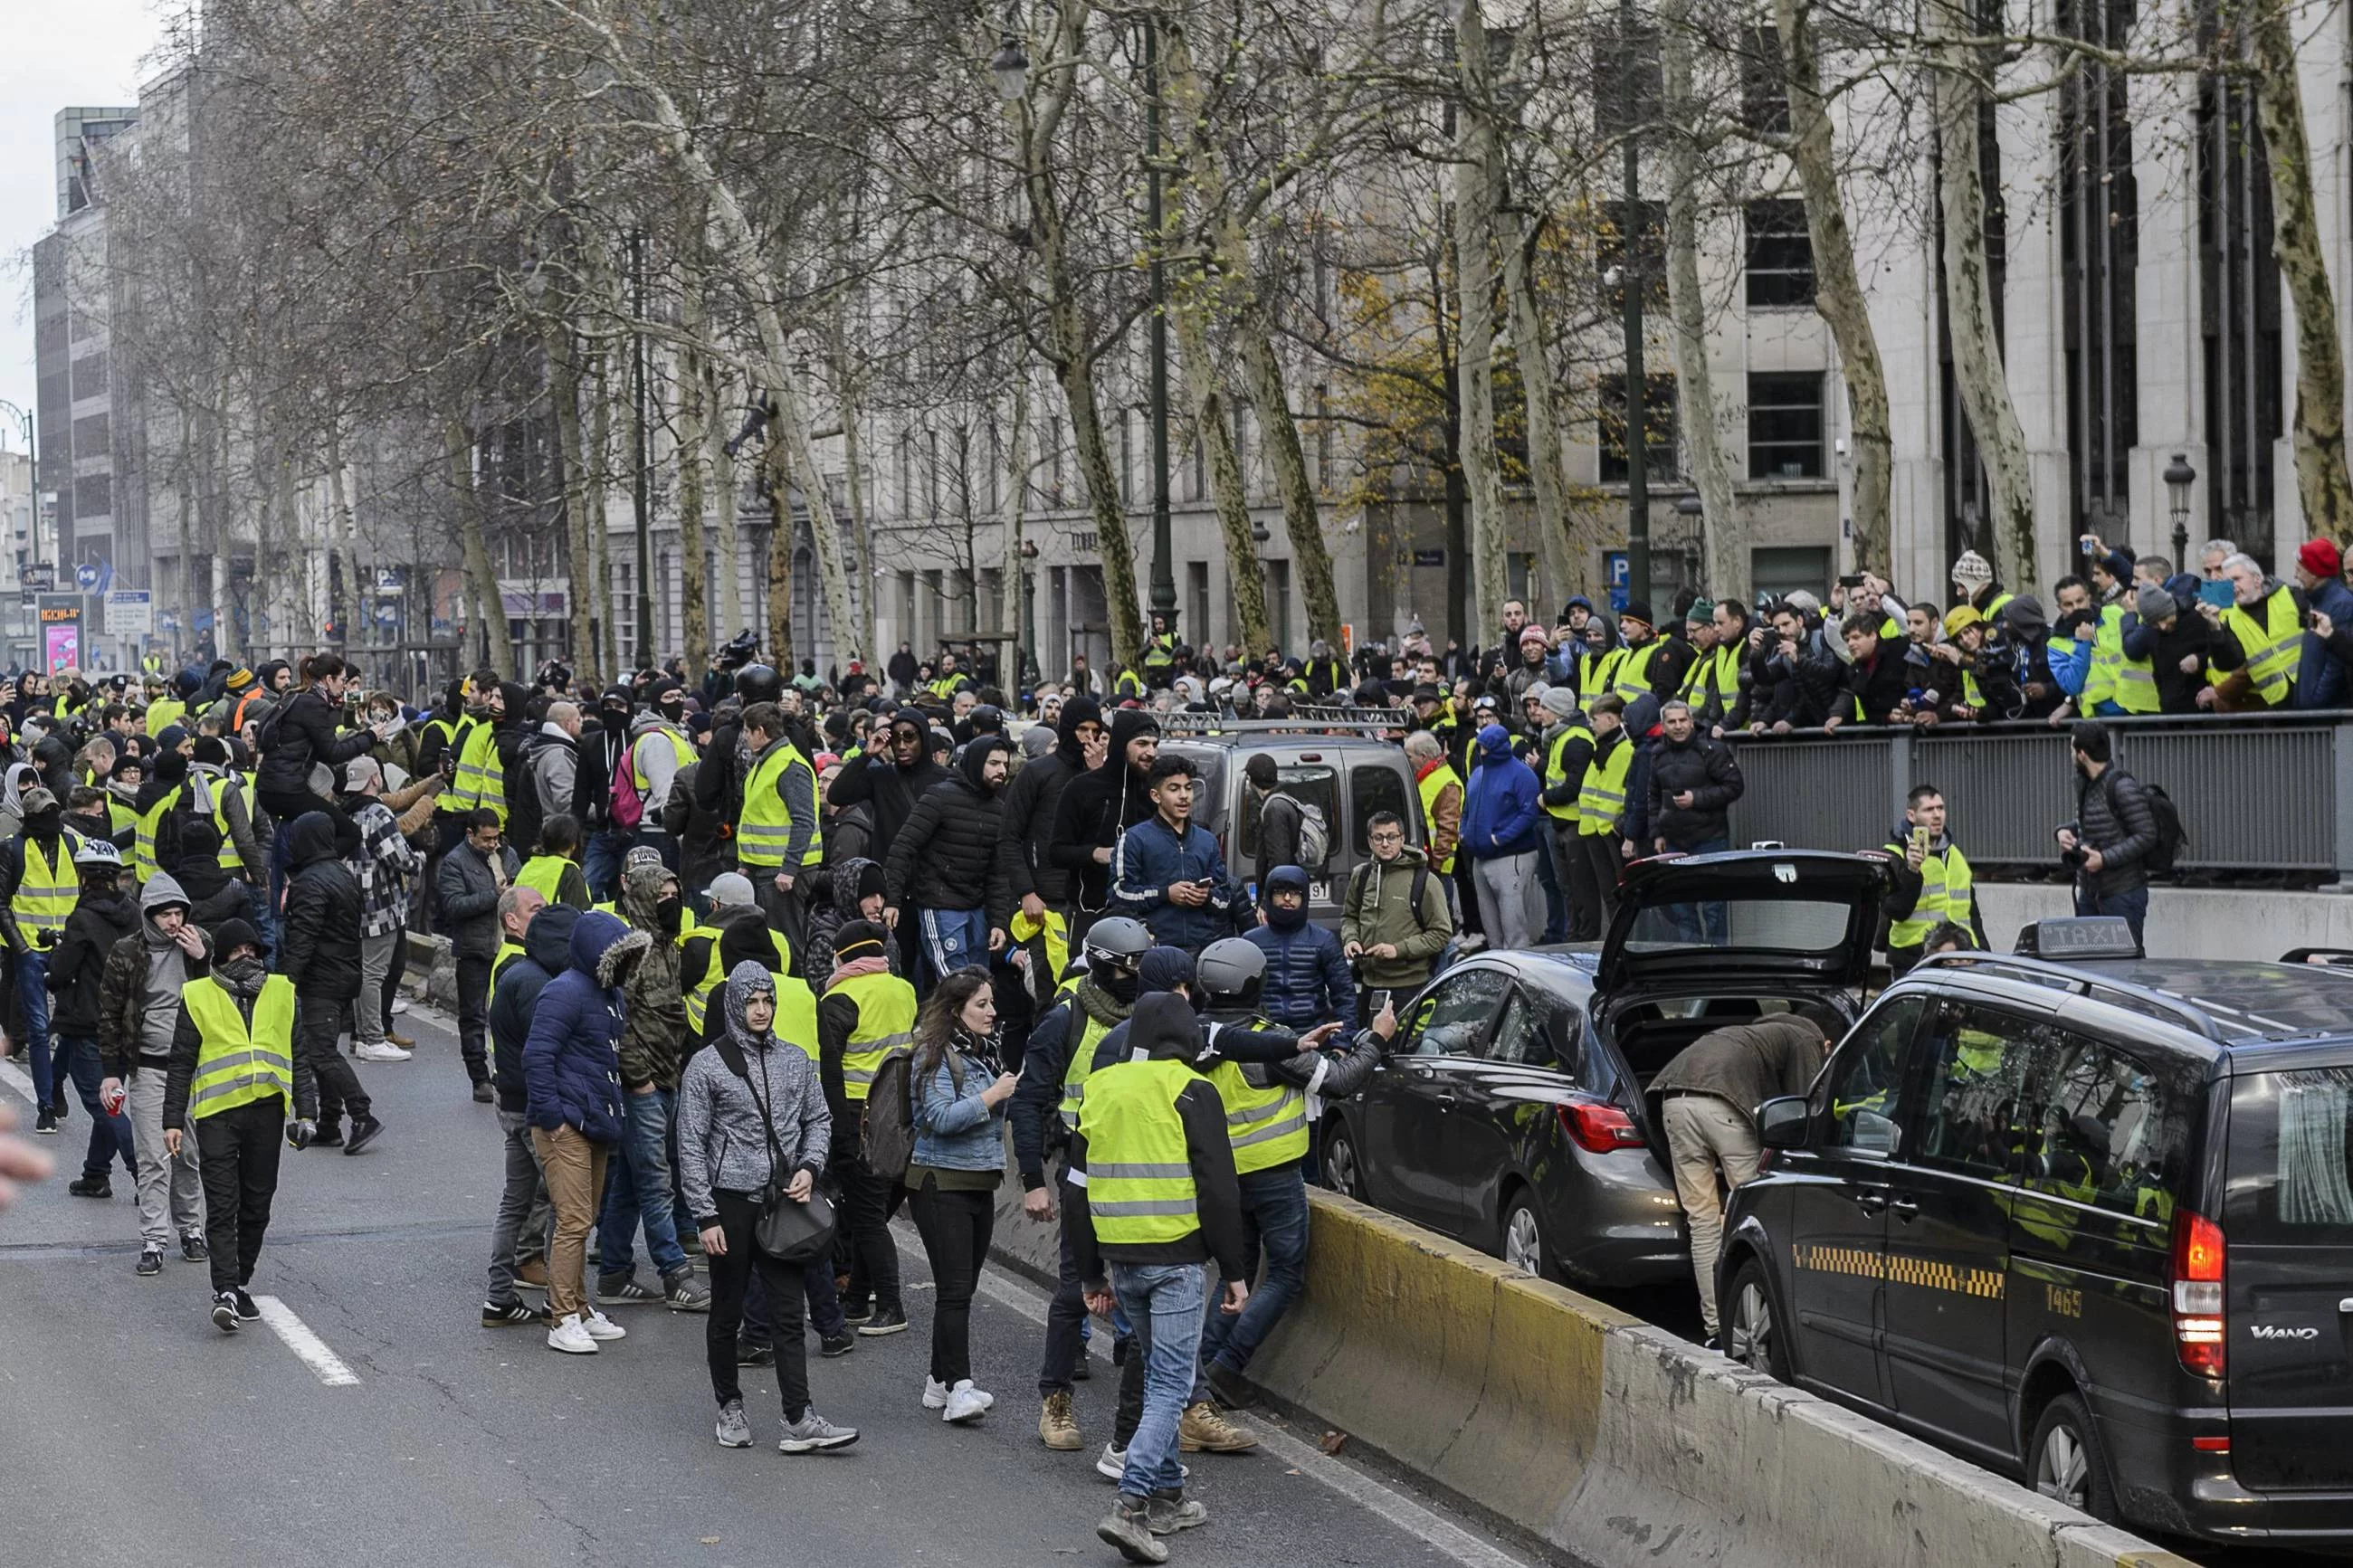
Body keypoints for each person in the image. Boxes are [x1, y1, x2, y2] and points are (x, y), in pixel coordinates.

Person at [1068, 990, 1249, 1561]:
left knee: (1157, 1380)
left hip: (1121, 1261)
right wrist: (1237, 1271)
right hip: (1175, 1263)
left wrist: (1089, 1272)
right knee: (1172, 1384)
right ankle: (1131, 1504)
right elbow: (1220, 1189)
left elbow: (1077, 1191)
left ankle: (1169, 1495)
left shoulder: (1100, 1088)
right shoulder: (1194, 1090)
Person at [1189, 938, 1384, 1402]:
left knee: (1236, 1275)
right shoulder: (1266, 1041)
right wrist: (1377, 1038)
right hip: (1273, 1178)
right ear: (1256, 982)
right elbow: (1339, 1081)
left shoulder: (1194, 1037)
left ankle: (1196, 1372)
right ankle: (1226, 1367)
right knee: (1285, 1274)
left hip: (1220, 1181)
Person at [681, 961, 859, 1452]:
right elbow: (690, 1142)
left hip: (782, 1205)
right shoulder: (708, 1066)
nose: (761, 1010)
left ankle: (799, 1418)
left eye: (767, 1001)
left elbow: (819, 1119)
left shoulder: (797, 1061)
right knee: (728, 1310)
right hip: (730, 1205)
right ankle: (729, 1406)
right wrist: (705, 1214)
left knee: (786, 1313)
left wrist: (809, 1168)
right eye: (751, 1002)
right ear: (736, 1005)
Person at [1006, 914, 1149, 1451]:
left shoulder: (1152, 1019)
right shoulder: (1064, 1021)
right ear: (1102, 966)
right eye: (1126, 969)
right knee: (1074, 1289)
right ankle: (1056, 1401)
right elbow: (1027, 1101)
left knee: (1151, 1290)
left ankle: (1173, 1406)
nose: (1134, 978)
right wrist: (1032, 1182)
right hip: (1081, 1168)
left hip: (1143, 1170)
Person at [159, 917, 316, 1332]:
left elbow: (299, 1054)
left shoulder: (282, 992)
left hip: (266, 1112)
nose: (246, 959)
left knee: (258, 1204)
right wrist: (173, 1119)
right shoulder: (197, 996)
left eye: (252, 952)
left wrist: (307, 1112)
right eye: (237, 952)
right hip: (217, 1116)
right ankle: (225, 1289)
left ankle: (240, 1279)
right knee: (223, 1203)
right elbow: (181, 1062)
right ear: (221, 958)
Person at [1653, 1011, 1833, 1345]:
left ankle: (1716, 1329)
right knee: (1754, 1216)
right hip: (1723, 1108)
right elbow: (1805, 1109)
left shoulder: (1747, 1032)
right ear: (1827, 1045)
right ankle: (1758, 1316)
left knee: (1702, 1220)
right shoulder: (1809, 1038)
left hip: (1673, 1101)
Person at [523, 908, 644, 1354]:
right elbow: (536, 1057)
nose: (628, 964)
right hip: (566, 1124)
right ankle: (562, 1319)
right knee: (574, 1221)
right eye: (622, 955)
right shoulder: (564, 992)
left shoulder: (612, 995)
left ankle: (578, 1307)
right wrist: (552, 1119)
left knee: (582, 1219)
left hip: (594, 1121)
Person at [905, 966, 1020, 1425]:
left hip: (978, 1182)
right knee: (954, 1291)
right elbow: (939, 1118)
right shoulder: (933, 1054)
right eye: (982, 1004)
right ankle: (959, 1389)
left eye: (992, 1003)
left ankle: (938, 1382)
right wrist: (993, 1095)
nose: (992, 1012)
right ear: (957, 1010)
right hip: (940, 1184)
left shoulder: (981, 1053)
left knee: (963, 1289)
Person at [595, 861, 710, 1313]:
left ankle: (614, 1272)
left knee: (628, 1179)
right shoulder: (633, 952)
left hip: (668, 1078)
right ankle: (674, 1273)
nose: (673, 904)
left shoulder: (668, 948)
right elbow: (618, 1023)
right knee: (656, 1179)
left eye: (675, 895)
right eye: (662, 896)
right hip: (642, 1085)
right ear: (642, 897)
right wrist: (638, 1079)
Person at [98, 873, 209, 1276]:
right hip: (147, 1069)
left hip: (193, 1071)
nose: (173, 922)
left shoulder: (199, 947)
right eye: (165, 914)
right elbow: (109, 1015)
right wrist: (111, 1075)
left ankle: (191, 1229)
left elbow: (231, 995)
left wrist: (203, 959)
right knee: (153, 1158)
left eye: (179, 913)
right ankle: (153, 1239)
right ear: (149, 915)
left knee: (190, 1156)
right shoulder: (126, 953)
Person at [815, 918, 918, 1336]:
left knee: (868, 1216)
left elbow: (830, 1072)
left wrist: (838, 1132)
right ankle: (857, 1302)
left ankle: (891, 1305)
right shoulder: (904, 989)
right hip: (900, 1114)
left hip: (858, 1117)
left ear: (842, 956)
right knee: (866, 1212)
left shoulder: (838, 997)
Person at [484, 898, 576, 1326]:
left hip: (513, 1103)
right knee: (565, 1204)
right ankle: (561, 1303)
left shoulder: (518, 974)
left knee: (514, 1203)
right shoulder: (536, 982)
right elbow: (545, 1054)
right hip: (535, 1110)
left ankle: (499, 1298)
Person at [280, 811, 386, 1155]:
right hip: (344, 972)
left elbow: (304, 936)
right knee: (325, 1047)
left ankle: (362, 1113)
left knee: (319, 1051)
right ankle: (329, 1123)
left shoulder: (310, 881)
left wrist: (287, 980)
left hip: (322, 976)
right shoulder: (341, 873)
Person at [883, 734, 1015, 992]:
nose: (1002, 770)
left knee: (980, 982)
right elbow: (903, 847)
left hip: (976, 909)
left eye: (1005, 765)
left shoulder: (998, 809)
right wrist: (893, 899)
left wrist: (999, 922)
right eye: (994, 763)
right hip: (940, 904)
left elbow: (998, 873)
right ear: (977, 763)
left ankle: (973, 1032)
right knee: (957, 984)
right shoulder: (940, 797)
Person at [52, 839, 138, 1197]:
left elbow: (61, 970)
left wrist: (52, 962)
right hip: (127, 1021)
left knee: (103, 1105)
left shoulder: (82, 917)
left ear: (84, 877)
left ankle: (143, 1172)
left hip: (89, 1021)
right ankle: (95, 1174)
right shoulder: (133, 912)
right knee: (111, 1095)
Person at [1108, 755, 1248, 954]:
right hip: (1154, 948)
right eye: (1174, 789)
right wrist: (1165, 894)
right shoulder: (1134, 839)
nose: (1184, 796)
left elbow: (1224, 898)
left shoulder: (1207, 841)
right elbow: (1118, 894)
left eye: (1188, 788)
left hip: (1202, 948)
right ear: (1156, 796)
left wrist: (1206, 897)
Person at [342, 756, 432, 1065]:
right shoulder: (378, 813)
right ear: (377, 780)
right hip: (379, 906)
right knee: (374, 974)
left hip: (354, 902)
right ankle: (372, 1038)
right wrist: (419, 858)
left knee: (361, 972)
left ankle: (360, 1036)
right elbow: (400, 859)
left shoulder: (348, 811)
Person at [0, 785, 79, 1131]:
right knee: (37, 1028)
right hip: (30, 951)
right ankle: (45, 1104)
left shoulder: (73, 846)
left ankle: (55, 1083)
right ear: (30, 818)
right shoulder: (12, 849)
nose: (52, 820)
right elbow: (2, 904)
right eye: (45, 814)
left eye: (55, 812)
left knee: (72, 1024)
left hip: (70, 951)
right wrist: (22, 948)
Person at [436, 807, 520, 1098]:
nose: (493, 844)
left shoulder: (508, 854)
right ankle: (479, 1078)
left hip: (508, 949)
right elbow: (454, 907)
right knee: (473, 1015)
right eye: (487, 839)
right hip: (475, 949)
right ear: (470, 834)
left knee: (510, 1015)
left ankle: (506, 1072)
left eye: (496, 838)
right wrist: (494, 896)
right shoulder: (455, 862)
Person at [1338, 813, 1453, 1018]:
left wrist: (1398, 950)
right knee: (1369, 1047)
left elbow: (1441, 934)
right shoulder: (1361, 876)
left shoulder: (1424, 880)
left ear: (1402, 839)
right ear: (1369, 841)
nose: (1385, 844)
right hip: (1369, 985)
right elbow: (1349, 917)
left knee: (1405, 1048)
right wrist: (1351, 939)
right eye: (1378, 838)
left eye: (1391, 837)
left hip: (1409, 986)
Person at [2056, 720, 2158, 949]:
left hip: (2122, 894)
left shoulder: (2122, 786)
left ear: (2082, 754)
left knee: (2125, 967)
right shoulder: (2086, 784)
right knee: (2090, 966)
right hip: (2090, 892)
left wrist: (2104, 859)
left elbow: (2146, 834)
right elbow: (2091, 821)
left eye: (2072, 749)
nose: (2071, 755)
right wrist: (2063, 831)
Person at [1881, 784, 1986, 975]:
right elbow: (1895, 910)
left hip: (1961, 955)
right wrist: (1912, 871)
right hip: (1914, 958)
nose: (1937, 815)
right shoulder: (1895, 855)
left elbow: (1972, 914)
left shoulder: (1955, 855)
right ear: (1912, 816)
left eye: (1941, 808)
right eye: (1929, 810)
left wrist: (1985, 955)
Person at [1243, 866, 1356, 1034]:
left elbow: (1345, 997)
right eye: (1280, 892)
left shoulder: (1323, 940)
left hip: (1313, 1039)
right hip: (1264, 1041)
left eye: (1295, 893)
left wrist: (1341, 1047)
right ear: (1269, 897)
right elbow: (1237, 1000)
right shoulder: (1251, 942)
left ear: (1305, 897)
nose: (1287, 898)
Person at [1459, 722, 1542, 951]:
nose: (1482, 751)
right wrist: (1464, 832)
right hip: (1480, 856)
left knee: (1513, 926)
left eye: (1485, 747)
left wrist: (1501, 838)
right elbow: (1467, 807)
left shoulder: (1523, 775)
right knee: (1491, 927)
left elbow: (1529, 814)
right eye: (1480, 747)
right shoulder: (1478, 773)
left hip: (1511, 856)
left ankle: (1518, 972)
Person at [2199, 550, 2302, 710]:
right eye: (2227, 582)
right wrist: (2214, 626)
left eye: (2237, 579)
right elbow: (2228, 662)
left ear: (2257, 579)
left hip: (2312, 692)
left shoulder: (2291, 595)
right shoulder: (2230, 619)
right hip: (2277, 703)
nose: (2232, 587)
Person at [1242, 754, 1301, 891]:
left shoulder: (1273, 809)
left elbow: (1279, 862)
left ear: (1251, 781)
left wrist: (1266, 901)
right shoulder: (1282, 799)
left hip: (1278, 897)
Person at [515, 813, 592, 910]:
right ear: (573, 844)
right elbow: (580, 912)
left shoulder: (528, 866)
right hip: (554, 924)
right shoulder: (569, 870)